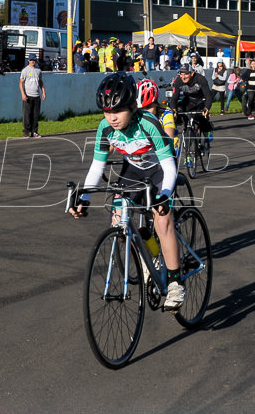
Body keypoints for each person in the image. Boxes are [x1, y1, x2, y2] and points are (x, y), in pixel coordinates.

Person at [68, 72, 186, 309]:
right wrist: (85, 197)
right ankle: (151, 255)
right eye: (107, 111)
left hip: (159, 170)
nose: (111, 118)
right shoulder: (105, 128)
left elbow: (169, 166)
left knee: (162, 219)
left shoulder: (148, 123)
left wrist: (164, 194)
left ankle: (175, 283)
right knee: (118, 221)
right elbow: (97, 166)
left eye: (118, 111)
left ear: (133, 107)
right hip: (132, 171)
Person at [168, 62, 214, 144]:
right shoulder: (178, 81)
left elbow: (208, 95)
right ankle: (187, 153)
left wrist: (207, 108)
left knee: (201, 116)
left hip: (201, 100)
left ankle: (207, 129)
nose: (183, 77)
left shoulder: (200, 79)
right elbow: (174, 97)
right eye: (181, 74)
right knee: (185, 119)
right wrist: (173, 109)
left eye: (186, 74)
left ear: (192, 73)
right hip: (189, 100)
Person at [137, 77, 178, 155]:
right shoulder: (135, 112)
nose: (144, 112)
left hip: (168, 146)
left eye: (148, 107)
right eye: (141, 108)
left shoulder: (166, 112)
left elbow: (169, 136)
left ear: (156, 103)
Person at [19, 53, 46, 138]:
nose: (32, 61)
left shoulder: (38, 70)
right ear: (28, 60)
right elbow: (21, 83)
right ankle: (26, 132)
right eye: (31, 60)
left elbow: (40, 82)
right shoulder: (25, 70)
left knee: (36, 115)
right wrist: (23, 94)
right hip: (28, 95)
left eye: (34, 60)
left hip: (36, 96)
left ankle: (34, 132)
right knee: (27, 114)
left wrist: (43, 91)